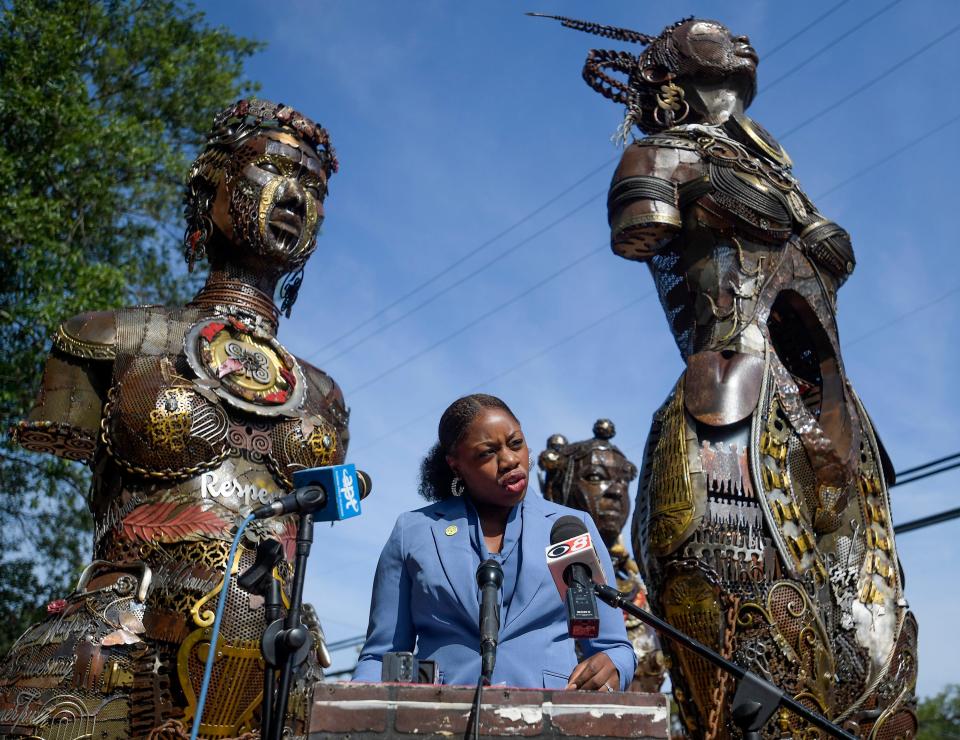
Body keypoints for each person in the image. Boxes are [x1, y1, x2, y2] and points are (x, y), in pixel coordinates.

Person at [536, 15, 918, 738]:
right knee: (756, 662)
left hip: (836, 419)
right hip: (733, 403)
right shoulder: (661, 158)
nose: (740, 42)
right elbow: (641, 232)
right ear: (669, 68)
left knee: (873, 659)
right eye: (713, 35)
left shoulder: (778, 171)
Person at [1, 98, 346, 738]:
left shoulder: (324, 395)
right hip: (111, 656)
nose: (294, 194)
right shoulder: (107, 337)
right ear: (209, 186)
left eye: (313, 187)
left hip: (274, 675)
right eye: (270, 167)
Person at [353, 394, 636, 690]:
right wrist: (354, 709)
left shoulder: (570, 529)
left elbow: (613, 647)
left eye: (516, 443)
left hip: (550, 719)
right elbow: (381, 656)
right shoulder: (413, 532)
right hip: (442, 722)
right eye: (488, 453)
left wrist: (612, 667)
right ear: (456, 465)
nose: (510, 460)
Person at [538, 419, 666, 692]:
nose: (617, 490)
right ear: (556, 488)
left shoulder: (645, 588)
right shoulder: (536, 585)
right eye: (596, 477)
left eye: (623, 480)